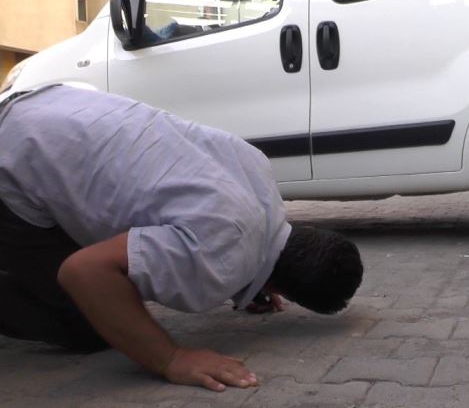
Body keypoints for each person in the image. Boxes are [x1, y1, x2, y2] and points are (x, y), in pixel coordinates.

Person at [0, 85, 363, 391]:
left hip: (44, 104)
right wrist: (170, 357)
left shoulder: (259, 175)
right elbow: (83, 272)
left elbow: (216, 217)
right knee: (92, 321)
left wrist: (248, 280)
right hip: (12, 161)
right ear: (287, 292)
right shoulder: (224, 257)